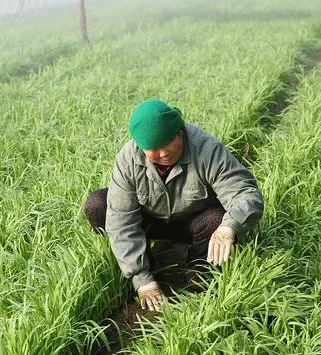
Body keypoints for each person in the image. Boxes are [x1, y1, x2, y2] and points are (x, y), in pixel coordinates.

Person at [84, 99, 263, 311]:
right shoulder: (128, 160)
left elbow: (245, 193)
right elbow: (121, 220)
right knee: (98, 205)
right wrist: (142, 279)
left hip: (193, 222)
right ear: (141, 147)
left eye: (169, 142)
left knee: (217, 220)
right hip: (151, 221)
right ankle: (140, 266)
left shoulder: (205, 149)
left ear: (180, 131)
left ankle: (199, 275)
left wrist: (229, 227)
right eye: (153, 148)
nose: (164, 153)